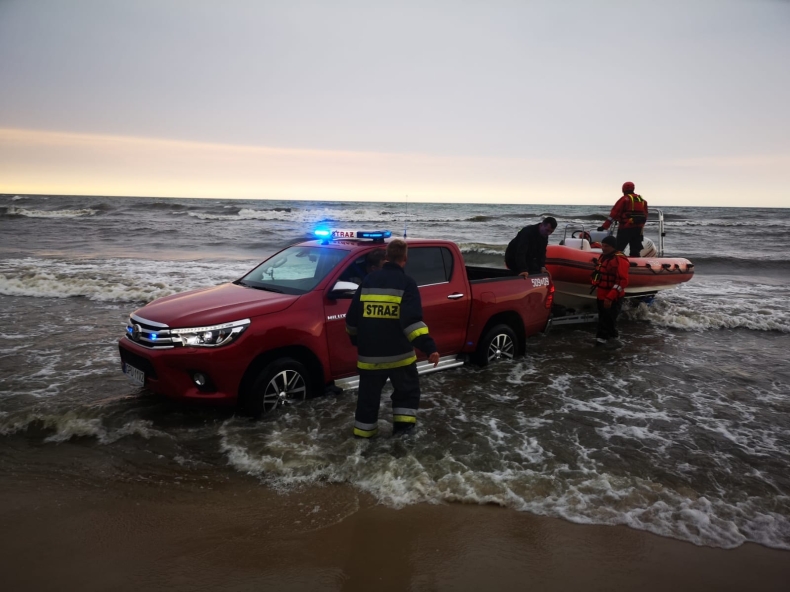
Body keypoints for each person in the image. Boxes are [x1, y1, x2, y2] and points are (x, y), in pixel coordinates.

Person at [345, 239, 440, 438]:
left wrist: (358, 342)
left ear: (386, 257)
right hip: (400, 358)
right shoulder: (407, 284)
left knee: (367, 402)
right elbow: (412, 323)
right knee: (406, 397)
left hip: (370, 359)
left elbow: (352, 320)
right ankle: (402, 441)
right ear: (405, 259)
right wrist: (429, 347)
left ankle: (362, 444)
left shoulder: (367, 282)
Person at [592, 235, 630, 346]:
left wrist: (610, 297)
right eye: (602, 245)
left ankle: (601, 341)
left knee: (608, 320)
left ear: (613, 247)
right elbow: (597, 273)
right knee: (604, 318)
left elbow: (622, 282)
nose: (603, 248)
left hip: (613, 296)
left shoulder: (619, 260)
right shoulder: (603, 257)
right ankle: (612, 337)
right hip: (601, 293)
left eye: (606, 246)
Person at [597, 182, 648, 257]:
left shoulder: (624, 199)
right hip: (638, 229)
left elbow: (614, 214)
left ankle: (615, 263)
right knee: (635, 249)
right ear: (633, 188)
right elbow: (645, 215)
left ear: (623, 189)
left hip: (625, 228)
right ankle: (634, 264)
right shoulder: (642, 200)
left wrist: (604, 227)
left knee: (618, 248)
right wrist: (641, 225)